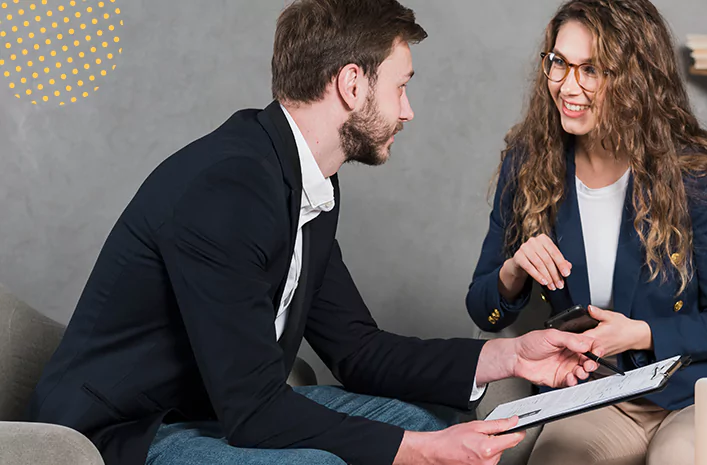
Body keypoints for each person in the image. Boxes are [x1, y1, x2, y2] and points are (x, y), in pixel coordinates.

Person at [26, 1, 604, 464]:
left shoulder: (307, 182)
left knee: (434, 420)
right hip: (129, 433)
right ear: (352, 84)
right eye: (401, 86)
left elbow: (356, 349)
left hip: (218, 411)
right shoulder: (226, 189)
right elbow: (253, 411)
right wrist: (420, 454)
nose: (408, 111)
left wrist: (510, 356)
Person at [466, 1, 707, 464]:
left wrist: (641, 334)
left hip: (697, 390)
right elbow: (483, 311)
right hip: (597, 396)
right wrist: (513, 271)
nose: (568, 86)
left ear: (635, 79)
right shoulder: (528, 163)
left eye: (591, 70)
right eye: (559, 63)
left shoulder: (696, 173)